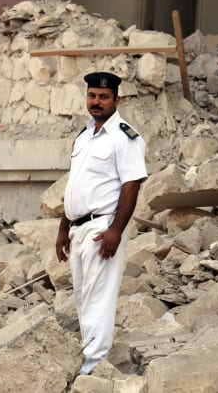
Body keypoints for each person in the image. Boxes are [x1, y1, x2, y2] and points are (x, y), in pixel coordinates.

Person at [56, 71, 148, 375]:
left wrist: (116, 231)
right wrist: (62, 229)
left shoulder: (125, 137)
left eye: (103, 97)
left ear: (116, 100)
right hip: (77, 227)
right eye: (92, 96)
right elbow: (75, 184)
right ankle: (88, 358)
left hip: (101, 228)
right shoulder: (84, 136)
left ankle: (93, 367)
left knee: (99, 298)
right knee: (83, 297)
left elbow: (131, 186)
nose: (96, 102)